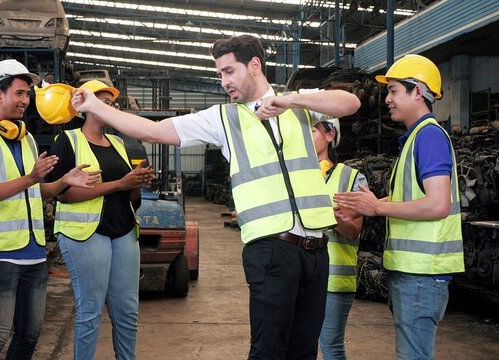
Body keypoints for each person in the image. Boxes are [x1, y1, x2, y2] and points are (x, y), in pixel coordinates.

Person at [70, 35, 361, 360]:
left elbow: (350, 104)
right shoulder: (223, 119)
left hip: (317, 252)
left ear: (254, 66)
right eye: (219, 74)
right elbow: (152, 131)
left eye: (229, 71)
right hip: (271, 250)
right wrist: (95, 106)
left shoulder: (299, 106)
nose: (223, 82)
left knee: (305, 352)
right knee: (268, 351)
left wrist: (292, 100)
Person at [0, 59, 100, 360]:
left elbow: (36, 193)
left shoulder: (27, 139)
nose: (26, 101)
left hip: (34, 253)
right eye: (20, 93)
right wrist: (31, 178)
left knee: (29, 337)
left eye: (28, 95)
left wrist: (63, 180)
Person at [333, 54, 464, 360]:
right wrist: (368, 205)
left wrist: (376, 209)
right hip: (413, 273)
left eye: (393, 91)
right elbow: (413, 197)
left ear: (417, 91)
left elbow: (437, 204)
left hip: (422, 273)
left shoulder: (429, 137)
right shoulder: (416, 138)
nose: (388, 100)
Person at [46, 80, 155, 360]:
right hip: (85, 234)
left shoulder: (119, 143)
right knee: (90, 310)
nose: (111, 108)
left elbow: (131, 197)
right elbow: (64, 194)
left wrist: (137, 182)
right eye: (104, 103)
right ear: (85, 107)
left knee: (127, 310)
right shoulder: (67, 141)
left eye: (112, 104)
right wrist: (120, 183)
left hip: (123, 231)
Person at [311, 118, 367, 360]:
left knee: (330, 347)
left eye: (312, 130)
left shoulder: (352, 178)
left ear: (329, 135)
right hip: (299, 276)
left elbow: (354, 230)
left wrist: (326, 214)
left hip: (334, 279)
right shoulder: (292, 176)